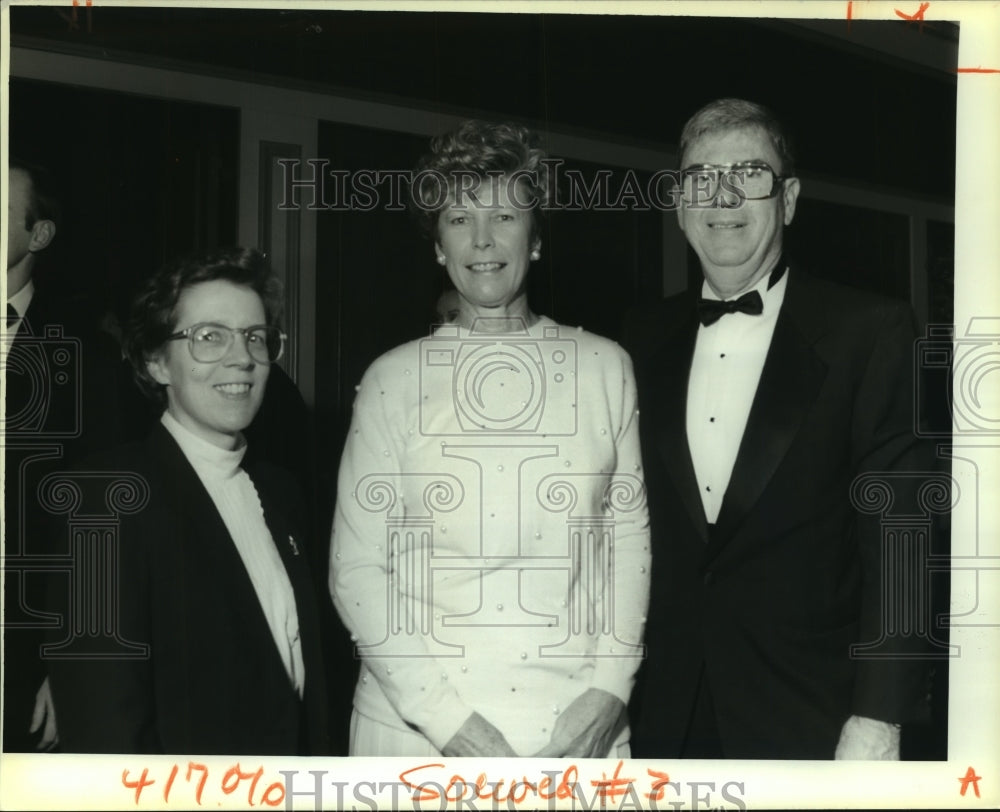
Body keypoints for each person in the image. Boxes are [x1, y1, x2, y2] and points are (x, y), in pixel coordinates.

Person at [329, 120, 650, 757]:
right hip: (416, 735)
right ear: (438, 248)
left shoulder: (605, 365)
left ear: (535, 240)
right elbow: (358, 570)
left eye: (505, 215)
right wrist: (450, 724)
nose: (483, 240)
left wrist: (611, 688)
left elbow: (626, 541)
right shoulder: (391, 379)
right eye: (458, 218)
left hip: (578, 731)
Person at [623, 98, 932, 760]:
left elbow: (902, 539)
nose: (723, 194)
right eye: (701, 176)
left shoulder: (870, 332)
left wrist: (881, 715)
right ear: (679, 202)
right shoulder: (636, 340)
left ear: (788, 199)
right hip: (664, 715)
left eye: (749, 173)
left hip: (813, 715)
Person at [45, 247, 329, 755]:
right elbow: (104, 732)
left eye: (254, 337)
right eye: (209, 337)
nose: (241, 357)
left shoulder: (281, 493)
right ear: (156, 362)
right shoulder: (107, 500)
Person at [3, 158, 129, 752]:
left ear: (39, 235)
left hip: (23, 646)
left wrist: (70, 662)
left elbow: (96, 520)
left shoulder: (86, 357)